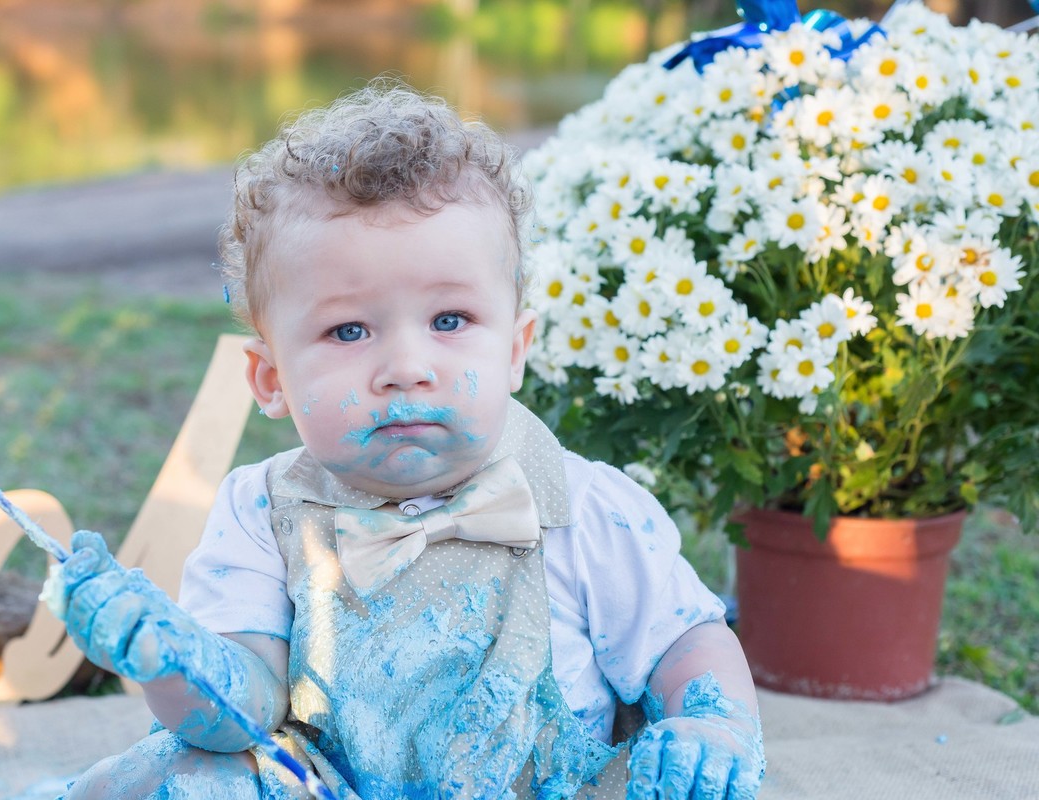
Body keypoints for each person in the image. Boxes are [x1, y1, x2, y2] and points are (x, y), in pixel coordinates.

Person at [50, 81, 765, 800]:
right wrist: (170, 659)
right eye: (348, 331)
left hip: (552, 789)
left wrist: (714, 726)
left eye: (449, 320)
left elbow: (685, 643)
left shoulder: (588, 506)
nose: (405, 367)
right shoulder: (261, 513)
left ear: (514, 350)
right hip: (326, 788)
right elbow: (244, 710)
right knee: (171, 779)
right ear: (271, 379)